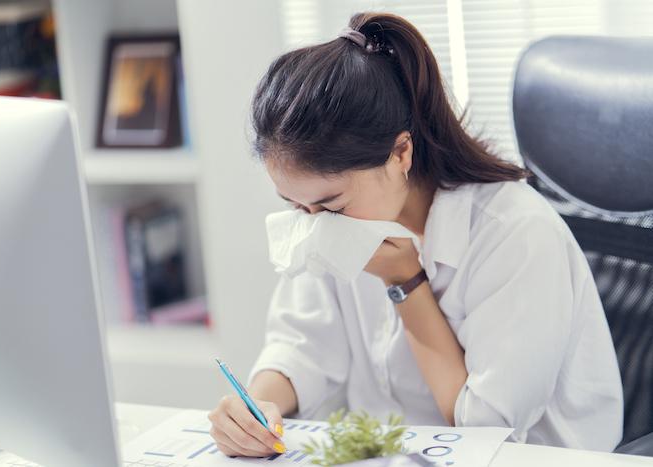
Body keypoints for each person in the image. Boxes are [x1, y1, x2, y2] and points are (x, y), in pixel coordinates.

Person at [207, 11, 623, 458]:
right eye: (295, 205)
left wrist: (405, 281)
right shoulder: (327, 216)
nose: (314, 222)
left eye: (331, 205)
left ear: (400, 152)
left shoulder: (517, 235)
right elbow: (301, 345)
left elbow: (484, 428)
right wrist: (258, 407)